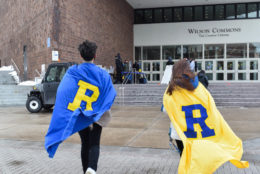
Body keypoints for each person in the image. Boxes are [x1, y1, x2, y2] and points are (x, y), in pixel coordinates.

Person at [163, 59, 248, 173]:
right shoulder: (199, 88)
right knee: (199, 160)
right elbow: (211, 107)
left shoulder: (171, 90)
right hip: (201, 134)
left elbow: (166, 110)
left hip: (181, 134)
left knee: (186, 158)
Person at [45, 40, 116, 174]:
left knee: (85, 143)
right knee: (95, 142)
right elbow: (110, 92)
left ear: (81, 56)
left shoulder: (73, 71)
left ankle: (86, 171)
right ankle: (92, 168)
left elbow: (63, 90)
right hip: (97, 113)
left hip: (80, 113)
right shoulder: (103, 74)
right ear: (95, 55)